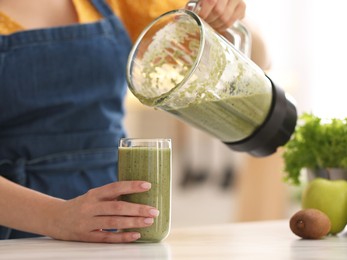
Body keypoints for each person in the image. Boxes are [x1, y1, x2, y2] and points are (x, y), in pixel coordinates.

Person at [0, 0, 260, 243]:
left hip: (119, 214)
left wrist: (225, 14)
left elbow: (258, 56)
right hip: (16, 226)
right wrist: (57, 218)